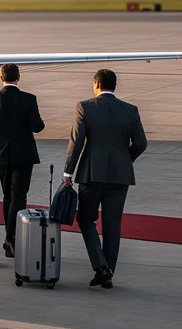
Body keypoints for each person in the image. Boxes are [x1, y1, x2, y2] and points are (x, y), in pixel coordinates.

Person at [63, 69, 147, 289]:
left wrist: (68, 172)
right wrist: (124, 160)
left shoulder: (85, 107)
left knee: (85, 219)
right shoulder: (130, 110)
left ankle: (100, 266)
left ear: (97, 84)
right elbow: (141, 143)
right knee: (112, 224)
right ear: (114, 86)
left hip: (92, 174)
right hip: (120, 176)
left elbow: (77, 141)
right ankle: (108, 273)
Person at [0, 63, 45, 258]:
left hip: (2, 155)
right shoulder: (28, 99)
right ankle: (12, 238)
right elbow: (37, 127)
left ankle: (10, 238)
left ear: (1, 78)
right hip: (24, 154)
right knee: (19, 196)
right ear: (18, 77)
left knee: (7, 195)